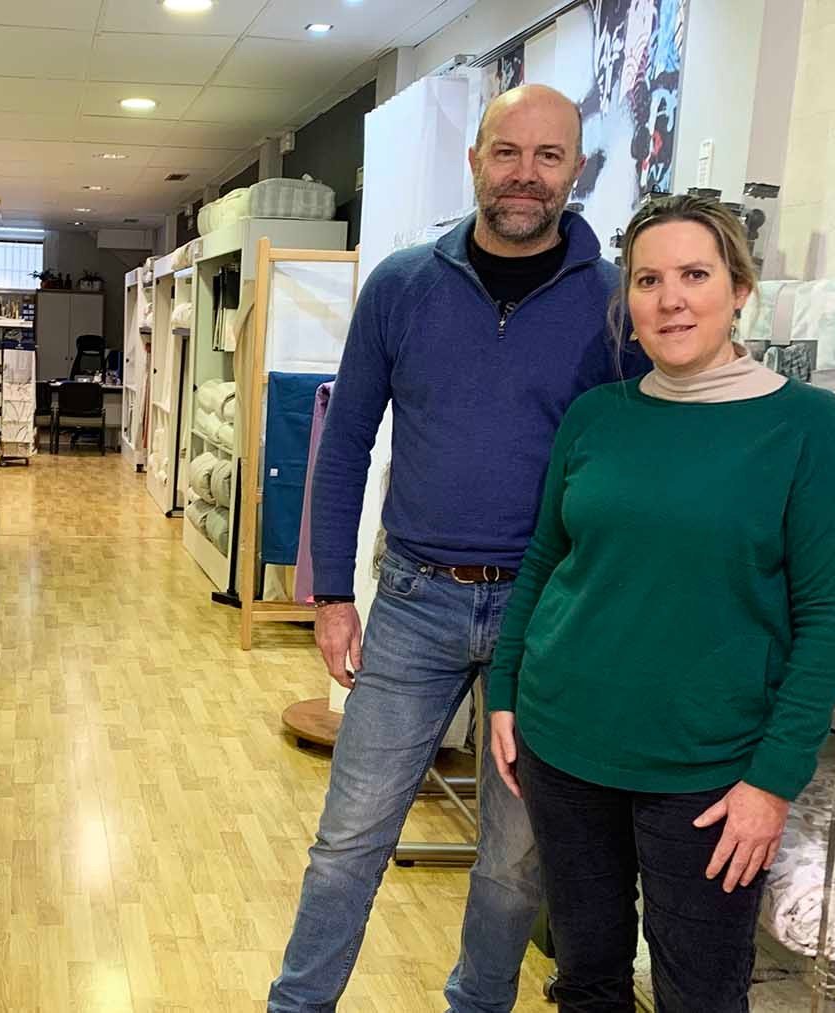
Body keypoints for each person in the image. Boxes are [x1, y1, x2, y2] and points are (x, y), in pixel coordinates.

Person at [269, 84, 647, 1013]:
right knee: (350, 836)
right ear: (474, 161)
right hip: (413, 600)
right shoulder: (401, 284)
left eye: (548, 156)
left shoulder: (612, 303)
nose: (526, 174)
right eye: (507, 152)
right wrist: (329, 595)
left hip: (549, 615)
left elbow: (641, 455)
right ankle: (296, 1004)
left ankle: (478, 1005)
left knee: (517, 863)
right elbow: (347, 437)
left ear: (576, 170)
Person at [486, 195, 835, 1012]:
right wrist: (506, 691)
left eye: (694, 275)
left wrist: (773, 781)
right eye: (648, 279)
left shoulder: (810, 428)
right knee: (586, 976)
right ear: (626, 299)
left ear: (739, 289)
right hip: (563, 743)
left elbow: (828, 620)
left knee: (699, 990)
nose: (670, 299)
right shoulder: (598, 416)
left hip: (706, 773)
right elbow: (547, 559)